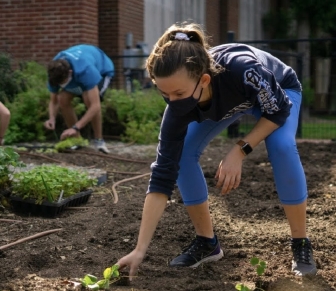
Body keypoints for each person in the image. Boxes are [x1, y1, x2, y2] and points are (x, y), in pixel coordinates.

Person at [116, 23, 317, 277]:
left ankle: (301, 244)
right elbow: (161, 178)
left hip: (278, 93)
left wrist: (240, 150)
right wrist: (139, 249)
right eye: (164, 94)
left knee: (282, 146)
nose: (173, 102)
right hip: (229, 100)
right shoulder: (178, 107)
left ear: (204, 80)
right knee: (182, 154)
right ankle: (207, 243)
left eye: (179, 93)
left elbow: (278, 111)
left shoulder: (244, 70)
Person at [44, 44, 114, 154]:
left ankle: (99, 140)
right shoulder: (54, 72)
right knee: (62, 98)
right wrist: (52, 118)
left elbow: (95, 106)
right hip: (78, 73)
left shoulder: (86, 70)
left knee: (88, 99)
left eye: (62, 83)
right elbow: (54, 101)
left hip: (101, 70)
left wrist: (76, 127)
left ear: (70, 73)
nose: (61, 86)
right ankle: (77, 140)